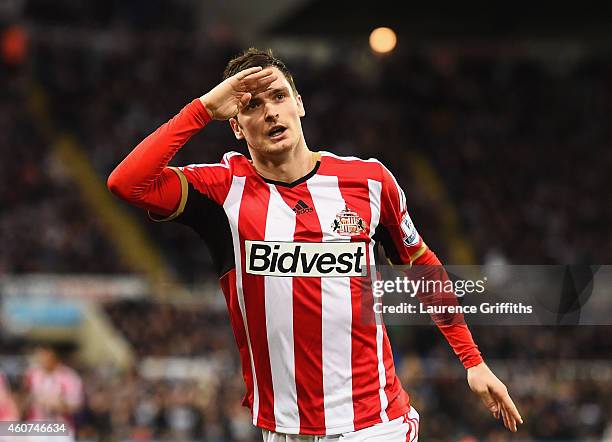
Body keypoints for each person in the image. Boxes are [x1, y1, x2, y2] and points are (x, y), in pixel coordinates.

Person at [108, 48, 523, 441]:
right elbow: (126, 183)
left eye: (278, 96)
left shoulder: (369, 182)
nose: (270, 111)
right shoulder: (221, 190)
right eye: (252, 105)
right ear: (235, 124)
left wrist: (473, 361)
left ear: (299, 104)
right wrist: (201, 110)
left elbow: (422, 264)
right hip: (284, 428)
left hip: (376, 425)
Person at [21, 344, 83, 441]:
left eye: (46, 357)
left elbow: (76, 404)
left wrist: (59, 405)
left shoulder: (68, 376)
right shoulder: (32, 374)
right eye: (41, 357)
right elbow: (23, 398)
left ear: (55, 358)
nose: (43, 361)